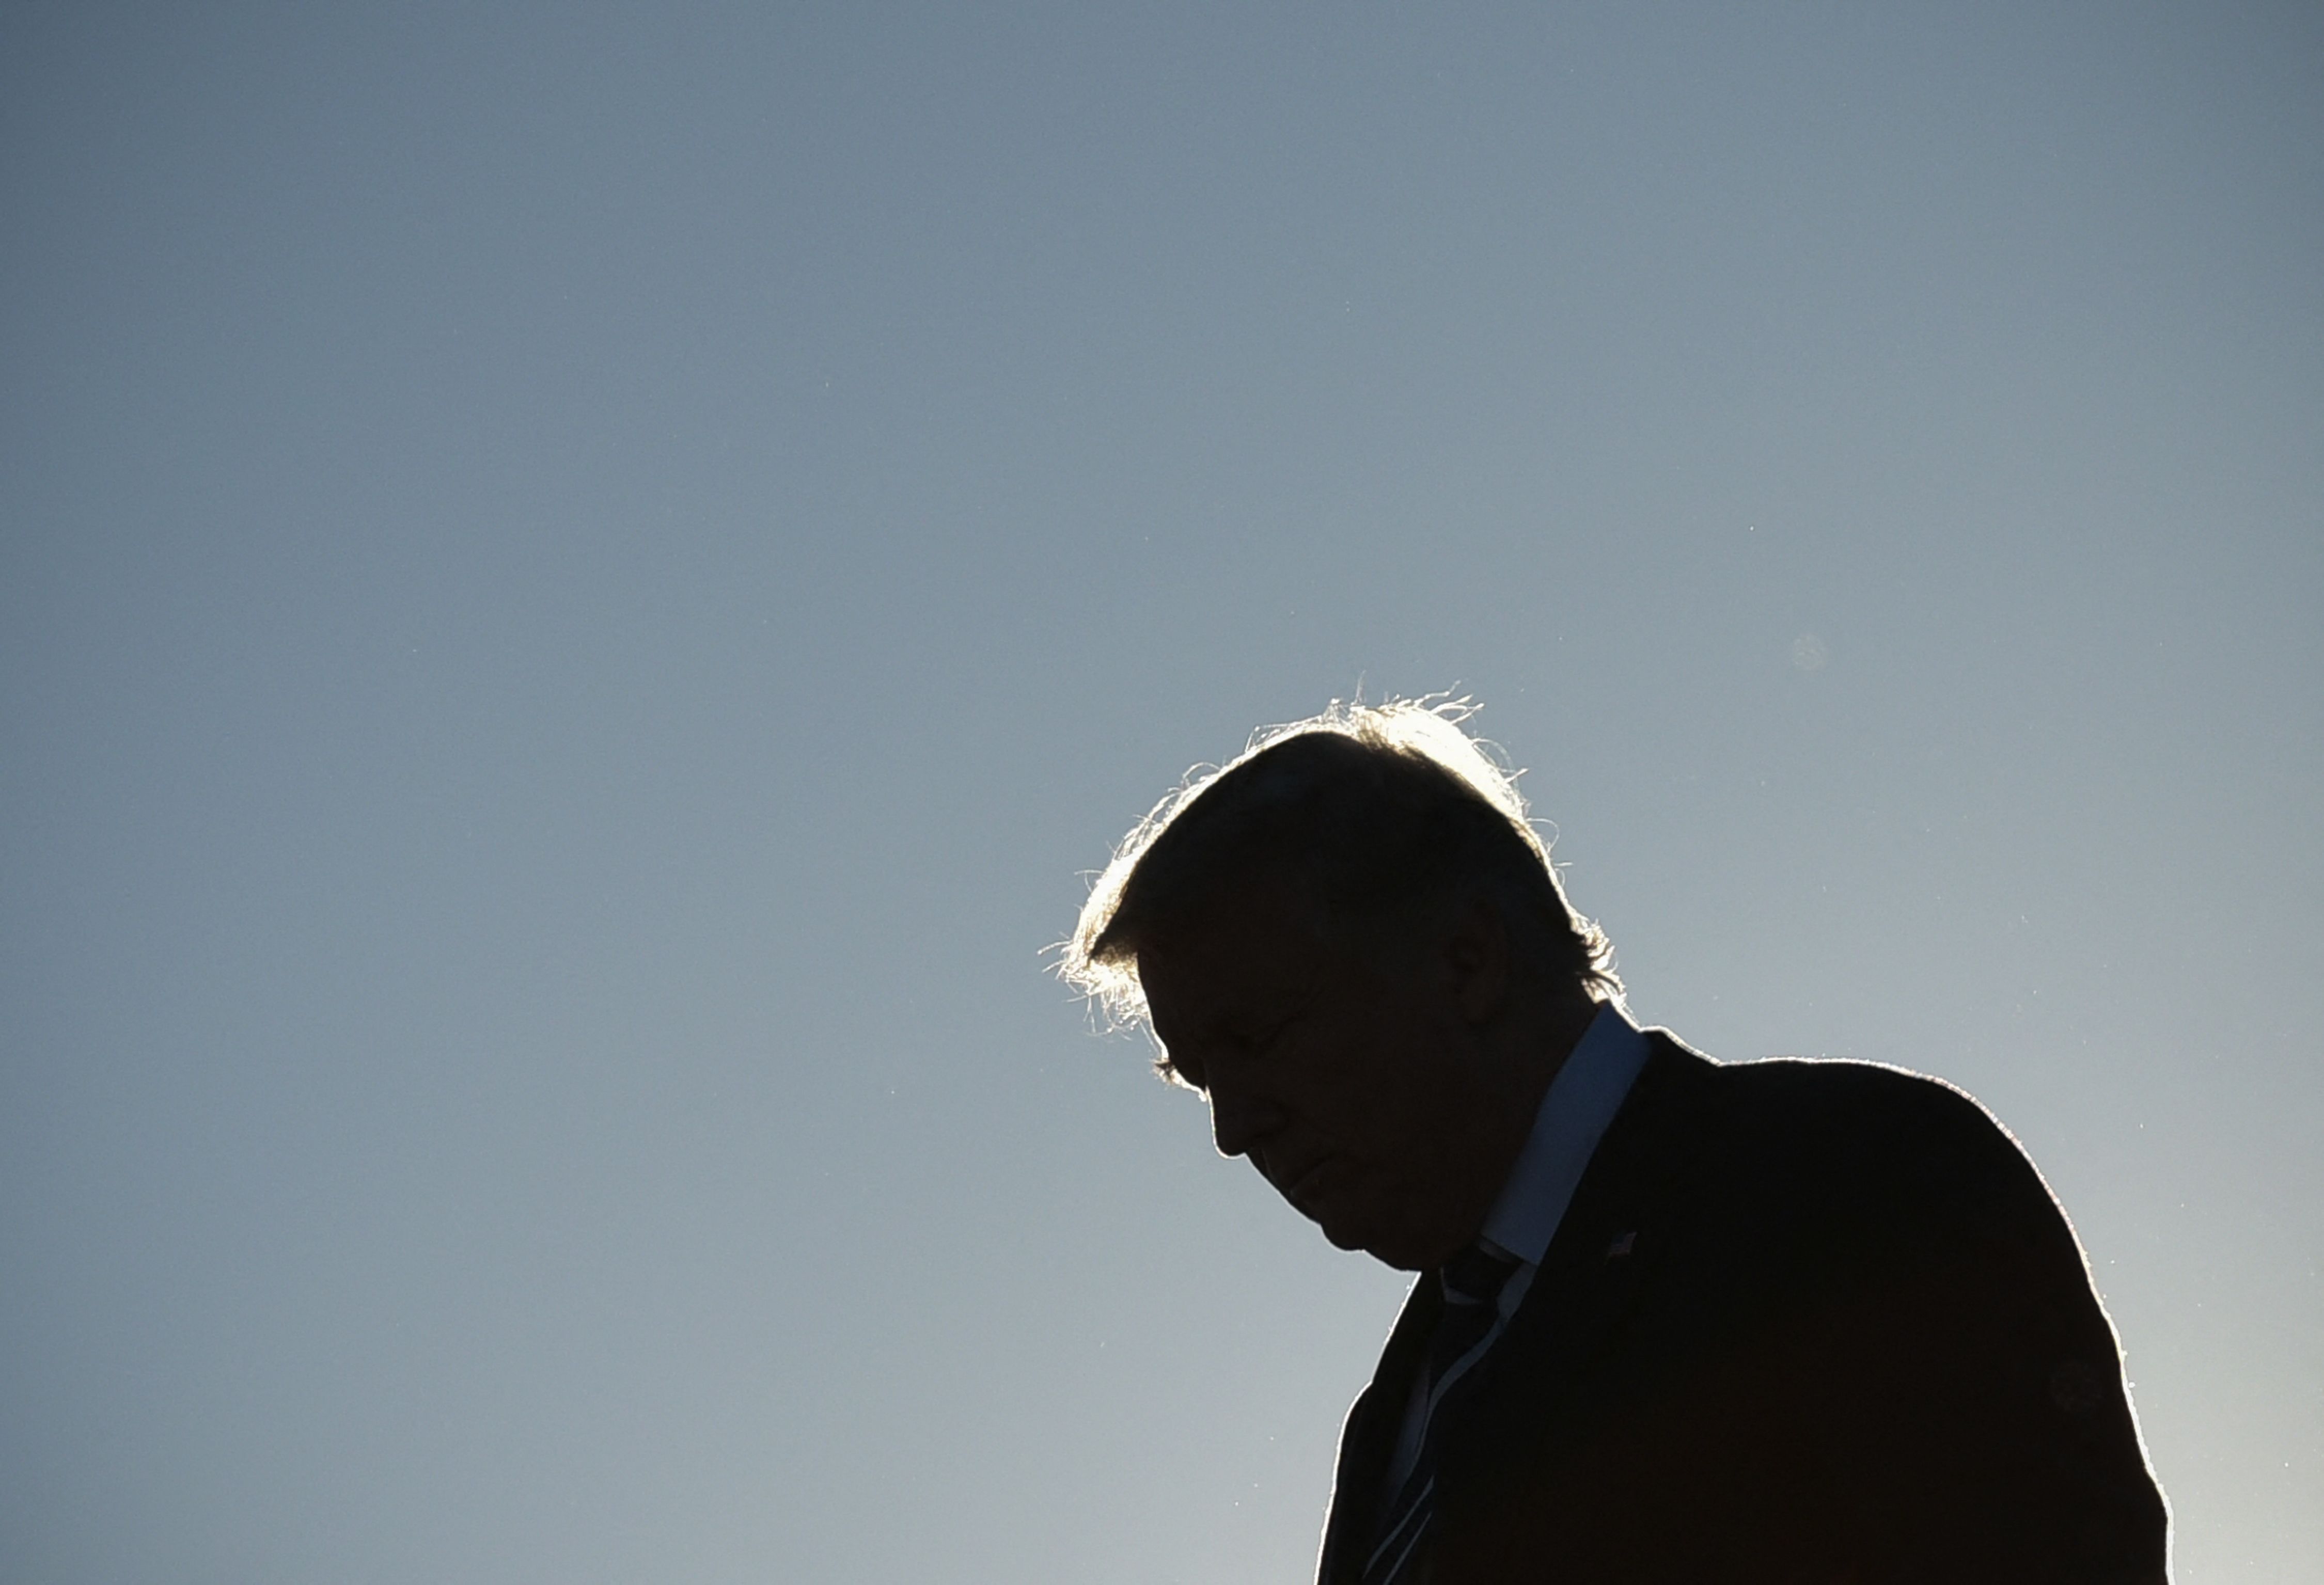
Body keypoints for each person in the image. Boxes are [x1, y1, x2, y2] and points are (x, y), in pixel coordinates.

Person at [1060, 701, 2169, 1585]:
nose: (1235, 1127)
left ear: (1466, 962)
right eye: (1203, 1074)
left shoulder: (1861, 1186)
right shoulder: (1398, 1418)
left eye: (1258, 1039)